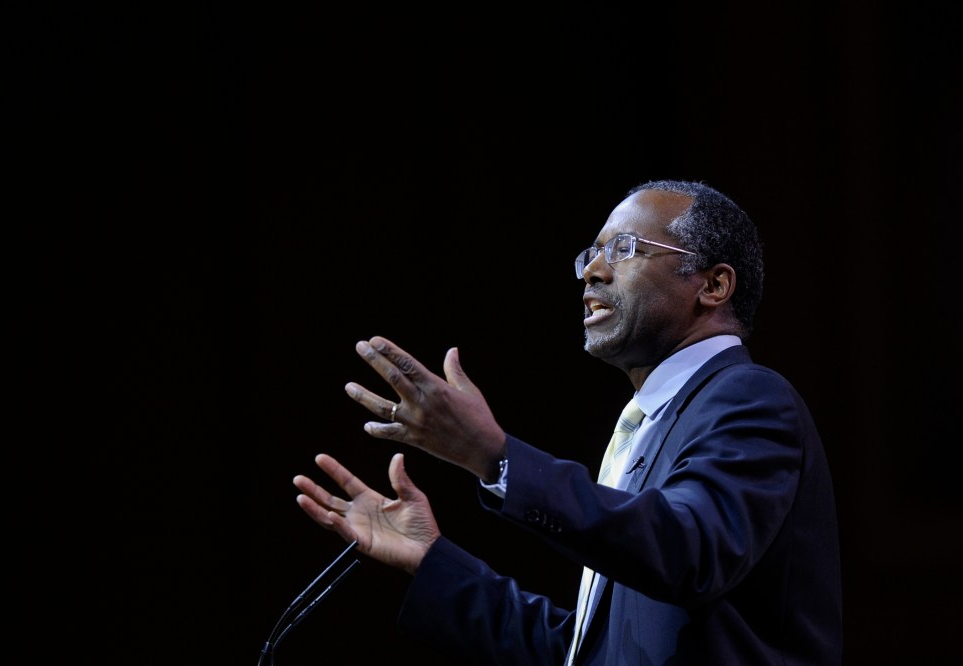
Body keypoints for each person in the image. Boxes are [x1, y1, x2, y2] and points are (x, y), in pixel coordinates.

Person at [293, 179, 843, 665]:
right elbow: (584, 653)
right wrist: (432, 560)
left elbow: (688, 551)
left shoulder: (749, 398)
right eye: (591, 255)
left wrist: (496, 457)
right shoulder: (650, 424)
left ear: (714, 285)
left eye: (624, 250)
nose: (594, 272)